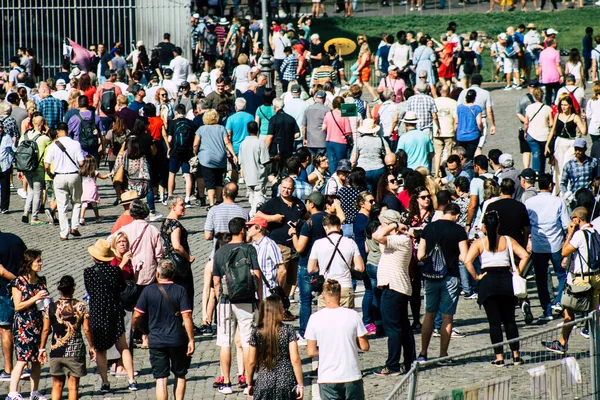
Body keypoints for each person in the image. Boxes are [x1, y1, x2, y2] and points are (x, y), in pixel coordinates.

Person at [464, 211, 529, 366]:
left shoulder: (479, 243)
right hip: (506, 281)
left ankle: (499, 357)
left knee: (494, 323)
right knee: (510, 321)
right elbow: (525, 255)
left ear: (484, 226)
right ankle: (516, 355)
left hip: (488, 281)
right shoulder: (507, 240)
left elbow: (467, 261)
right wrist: (517, 271)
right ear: (498, 224)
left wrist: (476, 277)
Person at [212, 217, 263, 395]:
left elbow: (216, 281)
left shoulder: (220, 251)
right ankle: (249, 382)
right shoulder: (249, 249)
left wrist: (220, 298)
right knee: (248, 341)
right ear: (242, 230)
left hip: (226, 301)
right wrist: (260, 299)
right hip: (247, 300)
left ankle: (226, 383)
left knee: (225, 342)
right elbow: (257, 276)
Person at [132, 260, 194, 400]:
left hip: (157, 340)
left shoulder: (149, 290)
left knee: (161, 379)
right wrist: (191, 339)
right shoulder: (180, 290)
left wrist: (136, 329)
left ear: (157, 273)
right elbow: (187, 316)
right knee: (180, 374)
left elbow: (137, 314)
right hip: (177, 339)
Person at [543, 207, 600, 354]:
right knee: (594, 313)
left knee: (569, 312)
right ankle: (597, 344)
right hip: (596, 276)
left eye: (572, 218)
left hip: (581, 279)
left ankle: (562, 343)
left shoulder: (579, 235)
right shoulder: (595, 232)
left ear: (577, 220)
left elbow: (564, 251)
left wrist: (569, 234)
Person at [416, 203, 468, 363]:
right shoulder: (459, 230)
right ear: (457, 215)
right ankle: (442, 355)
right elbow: (464, 257)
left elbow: (420, 255)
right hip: (450, 276)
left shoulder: (429, 228)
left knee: (429, 315)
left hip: (431, 276)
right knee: (447, 317)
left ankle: (423, 353)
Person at [84, 239, 136, 393]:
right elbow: (121, 287)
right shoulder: (115, 271)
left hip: (98, 313)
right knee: (123, 347)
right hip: (114, 311)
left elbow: (89, 290)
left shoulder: (88, 272)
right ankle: (132, 380)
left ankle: (105, 382)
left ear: (94, 257)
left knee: (100, 350)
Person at [305, 279, 369, 400]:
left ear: (323, 295)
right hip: (351, 374)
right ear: (340, 294)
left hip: (328, 377)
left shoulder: (315, 318)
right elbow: (365, 346)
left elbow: (311, 352)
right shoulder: (352, 315)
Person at [257, 177, 307, 320]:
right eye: (283, 187)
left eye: (289, 188)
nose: (286, 190)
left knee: (292, 279)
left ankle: (283, 306)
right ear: (280, 188)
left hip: (295, 246)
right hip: (279, 245)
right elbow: (258, 215)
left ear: (293, 189)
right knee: (282, 274)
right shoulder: (274, 202)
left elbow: (305, 215)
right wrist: (273, 218)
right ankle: (276, 305)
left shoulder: (298, 203)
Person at [372, 210, 415, 376]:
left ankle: (393, 364)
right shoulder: (397, 239)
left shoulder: (400, 239)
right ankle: (408, 361)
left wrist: (394, 225)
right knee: (403, 327)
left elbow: (378, 236)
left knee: (394, 328)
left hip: (394, 287)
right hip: (396, 287)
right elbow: (377, 234)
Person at [39, 275, 94, 400]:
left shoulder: (51, 307)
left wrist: (42, 348)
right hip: (75, 351)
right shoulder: (81, 306)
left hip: (56, 350)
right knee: (73, 386)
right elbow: (86, 329)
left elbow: (46, 329)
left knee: (57, 385)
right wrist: (92, 346)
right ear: (73, 288)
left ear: (60, 289)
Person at [524, 173, 569, 321]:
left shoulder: (530, 202)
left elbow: (527, 225)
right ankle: (559, 301)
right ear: (551, 185)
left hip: (538, 245)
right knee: (562, 275)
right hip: (556, 243)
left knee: (541, 279)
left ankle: (547, 310)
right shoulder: (558, 202)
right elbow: (565, 225)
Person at [5, 249, 48, 400]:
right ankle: (12, 392)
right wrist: (35, 297)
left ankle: (34, 392)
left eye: (40, 260)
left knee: (36, 360)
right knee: (23, 360)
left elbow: (43, 303)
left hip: (37, 323)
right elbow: (18, 306)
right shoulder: (19, 282)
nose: (40, 263)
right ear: (29, 264)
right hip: (23, 325)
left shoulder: (41, 281)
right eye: (38, 261)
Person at [245, 295, 304, 400]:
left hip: (264, 381)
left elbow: (251, 361)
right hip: (286, 381)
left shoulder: (257, 332)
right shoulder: (288, 330)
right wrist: (300, 384)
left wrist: (249, 383)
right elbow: (295, 359)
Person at [308, 213, 364, 308]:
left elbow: (311, 269)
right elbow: (360, 267)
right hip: (345, 287)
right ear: (340, 226)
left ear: (325, 227)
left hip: (327, 287)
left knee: (326, 321)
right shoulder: (350, 242)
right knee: (345, 321)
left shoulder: (318, 244)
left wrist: (321, 267)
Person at [43, 122, 85, 240]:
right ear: (68, 130)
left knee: (62, 206)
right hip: (73, 175)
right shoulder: (75, 144)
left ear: (57, 132)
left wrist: (50, 173)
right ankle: (74, 226)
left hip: (59, 176)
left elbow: (46, 164)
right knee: (76, 202)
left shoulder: (53, 145)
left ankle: (64, 232)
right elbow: (81, 162)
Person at [193, 109, 237, 208]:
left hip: (206, 158)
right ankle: (218, 201)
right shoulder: (222, 128)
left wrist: (195, 153)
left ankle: (212, 204)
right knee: (218, 181)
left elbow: (196, 144)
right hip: (220, 158)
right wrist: (233, 154)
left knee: (209, 182)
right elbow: (227, 143)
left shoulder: (201, 129)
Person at [161, 197, 195, 307]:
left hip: (167, 260)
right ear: (173, 207)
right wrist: (188, 257)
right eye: (181, 205)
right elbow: (176, 246)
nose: (184, 207)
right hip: (178, 263)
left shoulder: (165, 222)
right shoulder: (175, 225)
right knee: (185, 291)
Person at [18, 114, 52, 226]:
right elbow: (52, 148)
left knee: (31, 190)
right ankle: (34, 217)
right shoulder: (44, 138)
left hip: (26, 167)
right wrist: (48, 132)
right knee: (37, 192)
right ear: (42, 124)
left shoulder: (24, 136)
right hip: (38, 168)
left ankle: (25, 212)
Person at [350, 119, 391, 196]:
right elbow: (389, 154)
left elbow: (353, 160)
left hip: (364, 171)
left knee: (368, 193)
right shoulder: (381, 139)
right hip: (379, 169)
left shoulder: (359, 141)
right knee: (379, 192)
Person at [239, 121, 270, 217]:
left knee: (252, 199)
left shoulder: (243, 144)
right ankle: (253, 216)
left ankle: (252, 216)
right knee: (258, 200)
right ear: (258, 130)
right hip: (258, 176)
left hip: (248, 176)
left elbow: (240, 160)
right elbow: (265, 160)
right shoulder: (260, 143)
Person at [524, 87, 553, 173]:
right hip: (544, 134)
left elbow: (526, 122)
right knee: (543, 153)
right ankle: (541, 171)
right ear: (542, 96)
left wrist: (525, 132)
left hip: (532, 133)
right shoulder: (547, 108)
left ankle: (536, 170)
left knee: (536, 152)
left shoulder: (529, 107)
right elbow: (551, 123)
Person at [322, 97, 352, 176]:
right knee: (341, 163)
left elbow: (323, 128)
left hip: (329, 140)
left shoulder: (329, 114)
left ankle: (333, 177)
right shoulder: (344, 115)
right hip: (341, 142)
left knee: (332, 162)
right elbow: (348, 131)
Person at [433, 85, 457, 176]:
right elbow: (455, 118)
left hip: (437, 131)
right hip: (449, 130)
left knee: (437, 153)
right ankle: (450, 171)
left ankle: (436, 173)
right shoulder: (453, 102)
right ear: (449, 92)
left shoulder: (434, 101)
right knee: (449, 153)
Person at [78, 154, 110, 225]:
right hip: (92, 188)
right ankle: (97, 217)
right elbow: (103, 177)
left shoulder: (82, 171)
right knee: (94, 203)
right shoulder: (94, 172)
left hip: (85, 188)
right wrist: (109, 175)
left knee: (84, 203)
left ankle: (81, 218)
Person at [455, 89, 483, 160]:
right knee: (470, 157)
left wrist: (455, 132)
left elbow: (456, 122)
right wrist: (481, 131)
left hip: (460, 135)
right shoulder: (477, 108)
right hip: (473, 135)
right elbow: (479, 123)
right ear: (474, 98)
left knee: (461, 156)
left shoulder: (460, 107)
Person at [539, 39, 563, 106]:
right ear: (553, 44)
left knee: (548, 92)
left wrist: (539, 75)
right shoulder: (556, 52)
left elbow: (540, 65)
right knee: (557, 91)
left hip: (546, 76)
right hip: (555, 75)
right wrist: (561, 75)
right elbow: (557, 65)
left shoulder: (542, 53)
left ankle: (548, 105)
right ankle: (556, 104)